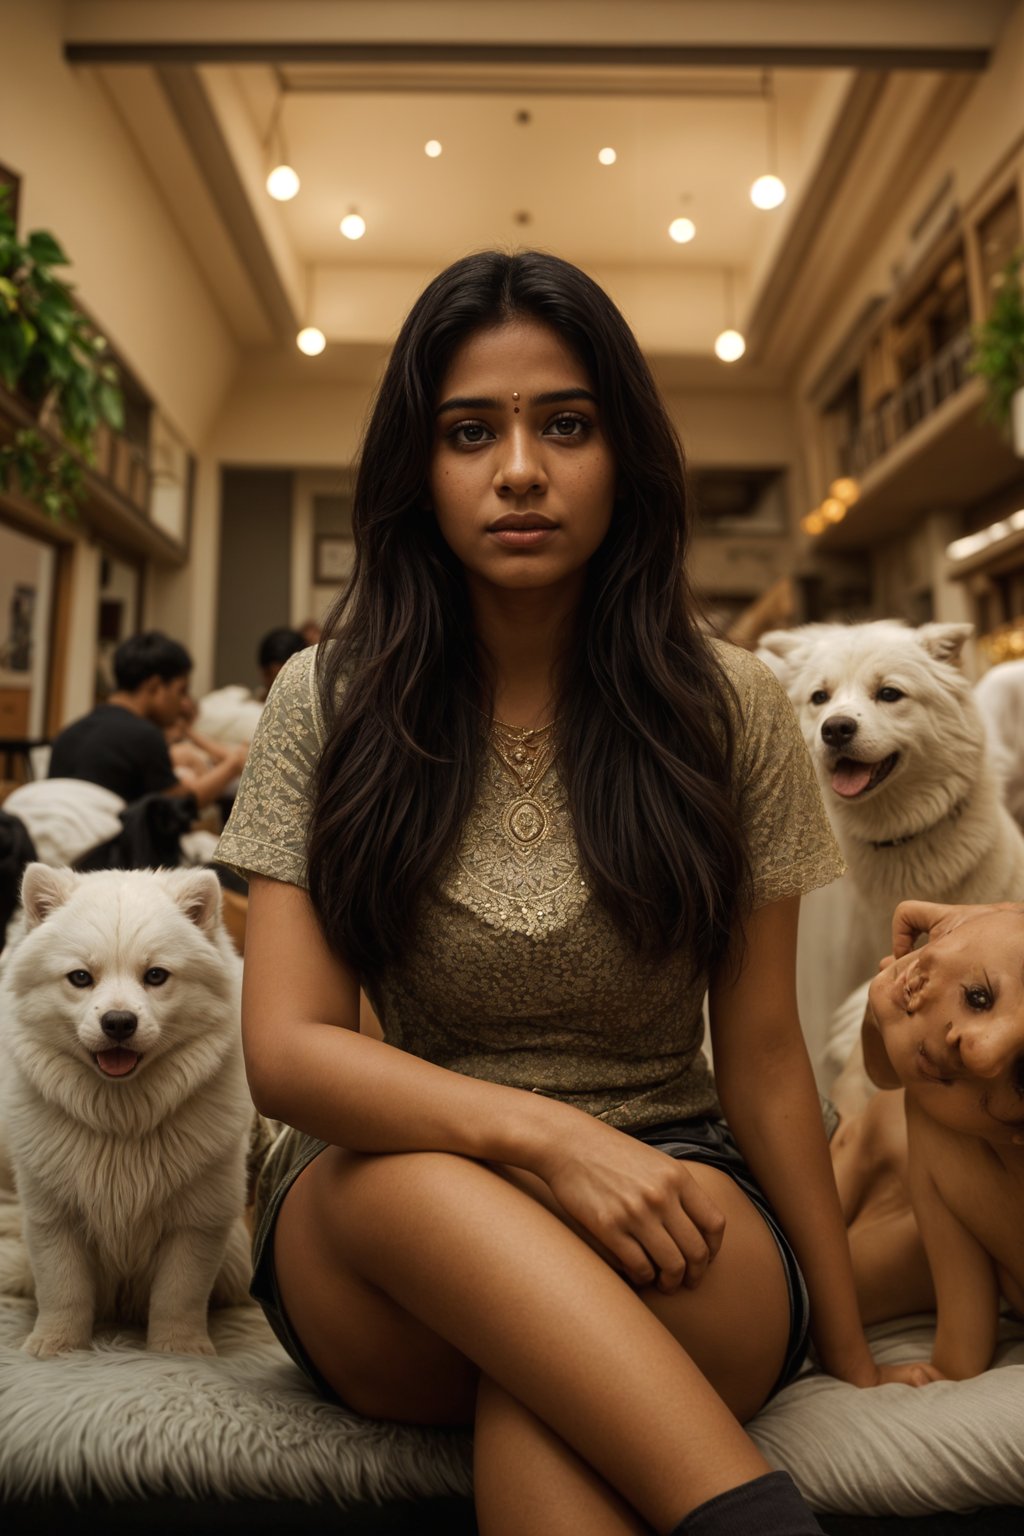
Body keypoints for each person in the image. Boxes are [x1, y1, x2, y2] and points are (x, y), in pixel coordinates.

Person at [217, 250, 928, 1536]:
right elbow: (288, 1055)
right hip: (390, 1226)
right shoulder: (322, 702)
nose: (520, 470)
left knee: (552, 1376)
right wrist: (550, 1142)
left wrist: (849, 1349)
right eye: (468, 432)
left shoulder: (732, 706)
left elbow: (764, 1055)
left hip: (676, 1205)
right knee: (405, 1190)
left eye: (566, 424)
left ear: (624, 455)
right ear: (415, 469)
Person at [835, 898, 1024, 1380]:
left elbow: (960, 1353)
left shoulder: (944, 1122)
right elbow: (885, 1071)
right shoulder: (939, 1108)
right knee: (881, 1114)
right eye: (979, 996)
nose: (976, 1050)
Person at [49, 631, 246, 809]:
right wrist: (233, 765)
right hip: (114, 847)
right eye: (181, 691)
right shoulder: (143, 737)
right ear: (155, 687)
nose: (183, 703)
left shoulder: (69, 733)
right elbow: (179, 809)